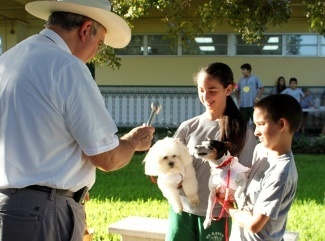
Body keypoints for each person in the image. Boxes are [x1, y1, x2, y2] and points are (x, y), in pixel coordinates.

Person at [0, 1, 155, 241]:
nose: (96, 53)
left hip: (9, 205)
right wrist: (133, 142)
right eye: (100, 43)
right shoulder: (66, 66)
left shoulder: (9, 59)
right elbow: (107, 158)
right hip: (43, 212)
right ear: (85, 30)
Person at [165, 62, 257, 241]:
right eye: (201, 89)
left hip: (218, 213)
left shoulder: (242, 132)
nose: (205, 96)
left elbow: (249, 176)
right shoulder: (187, 127)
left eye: (212, 90)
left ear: (228, 89)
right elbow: (169, 163)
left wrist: (232, 194)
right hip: (182, 210)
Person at [218, 94, 302, 241]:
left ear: (282, 124)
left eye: (261, 124)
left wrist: (228, 206)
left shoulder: (281, 172)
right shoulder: (261, 150)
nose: (255, 131)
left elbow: (255, 225)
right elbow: (250, 185)